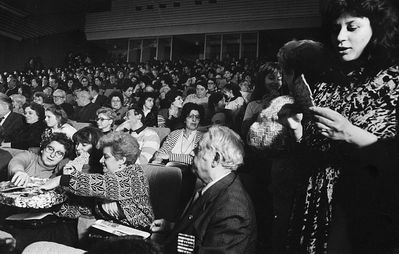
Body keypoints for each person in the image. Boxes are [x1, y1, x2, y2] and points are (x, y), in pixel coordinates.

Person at [283, 0, 399, 252]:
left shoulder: (394, 80)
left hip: (364, 209)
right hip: (314, 204)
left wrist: (350, 133)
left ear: (377, 28)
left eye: (352, 27)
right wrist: (298, 131)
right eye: (336, 29)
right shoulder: (326, 83)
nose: (340, 37)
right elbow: (310, 155)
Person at [151, 126, 257, 254]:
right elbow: (201, 231)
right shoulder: (214, 187)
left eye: (198, 149)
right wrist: (171, 226)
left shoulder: (232, 208)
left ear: (216, 159)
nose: (192, 153)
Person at [41, 131, 154, 231]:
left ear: (122, 160)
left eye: (106, 157)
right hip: (110, 235)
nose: (101, 160)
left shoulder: (135, 175)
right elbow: (84, 209)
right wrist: (52, 206)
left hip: (140, 238)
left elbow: (104, 184)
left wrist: (62, 179)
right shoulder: (106, 181)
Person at [8, 133, 73, 186]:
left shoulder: (59, 172)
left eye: (59, 153)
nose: (52, 155)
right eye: (50, 149)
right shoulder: (29, 156)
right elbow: (17, 161)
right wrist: (19, 171)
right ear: (42, 149)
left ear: (63, 158)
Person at [241, 62, 282, 137]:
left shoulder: (286, 101)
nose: (276, 82)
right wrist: (263, 111)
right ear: (262, 80)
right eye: (271, 78)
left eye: (279, 79)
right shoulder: (253, 105)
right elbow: (244, 130)